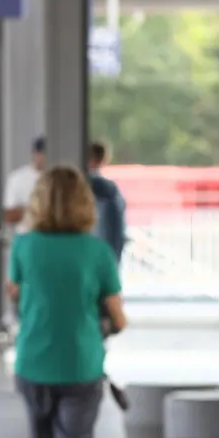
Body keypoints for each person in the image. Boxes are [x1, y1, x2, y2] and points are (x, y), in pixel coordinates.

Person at [7, 165, 126, 438]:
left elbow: (16, 296)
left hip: (34, 365)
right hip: (81, 367)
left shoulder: (24, 247)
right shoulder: (97, 253)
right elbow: (118, 317)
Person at [85, 142, 130, 411]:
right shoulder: (108, 191)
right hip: (101, 276)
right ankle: (94, 372)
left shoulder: (29, 245)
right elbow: (116, 239)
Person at [1, 136, 45, 235]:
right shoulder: (18, 178)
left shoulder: (57, 178)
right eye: (39, 153)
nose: (42, 157)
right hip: (26, 235)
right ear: (33, 154)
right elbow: (9, 215)